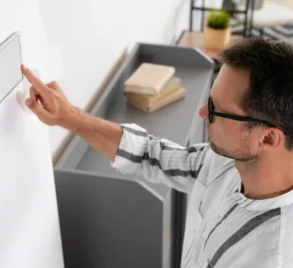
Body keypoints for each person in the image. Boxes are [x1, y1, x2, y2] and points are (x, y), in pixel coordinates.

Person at [22, 37, 293, 268]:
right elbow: (152, 155)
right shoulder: (226, 161)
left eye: (213, 109)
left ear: (268, 138)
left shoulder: (270, 256)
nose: (201, 113)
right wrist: (68, 117)